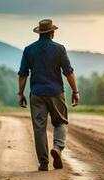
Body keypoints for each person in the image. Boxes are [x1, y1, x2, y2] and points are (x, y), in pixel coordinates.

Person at [18, 19, 80, 171]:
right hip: (56, 92)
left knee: (39, 129)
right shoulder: (59, 49)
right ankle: (58, 147)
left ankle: (43, 163)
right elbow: (68, 72)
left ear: (39, 32)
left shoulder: (29, 50)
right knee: (61, 122)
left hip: (37, 94)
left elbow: (22, 74)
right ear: (52, 33)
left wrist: (21, 93)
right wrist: (75, 91)